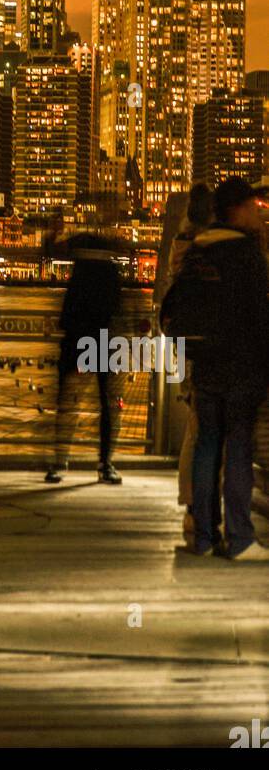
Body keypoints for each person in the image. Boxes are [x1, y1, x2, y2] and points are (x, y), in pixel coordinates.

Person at [183, 178, 269, 560]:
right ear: (237, 209)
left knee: (206, 446)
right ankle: (240, 538)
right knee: (237, 446)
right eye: (253, 206)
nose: (257, 212)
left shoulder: (199, 248)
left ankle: (202, 537)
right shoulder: (246, 252)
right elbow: (260, 315)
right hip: (240, 366)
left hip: (205, 363)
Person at [45, 234, 123, 485]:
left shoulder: (80, 275)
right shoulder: (110, 275)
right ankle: (105, 462)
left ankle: (59, 461)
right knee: (107, 407)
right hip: (104, 343)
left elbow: (65, 316)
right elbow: (116, 313)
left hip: (75, 342)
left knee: (67, 405)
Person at [170, 184, 214, 547]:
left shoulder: (180, 244)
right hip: (209, 348)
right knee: (205, 431)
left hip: (186, 346)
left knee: (195, 428)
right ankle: (199, 510)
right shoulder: (210, 248)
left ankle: (192, 508)